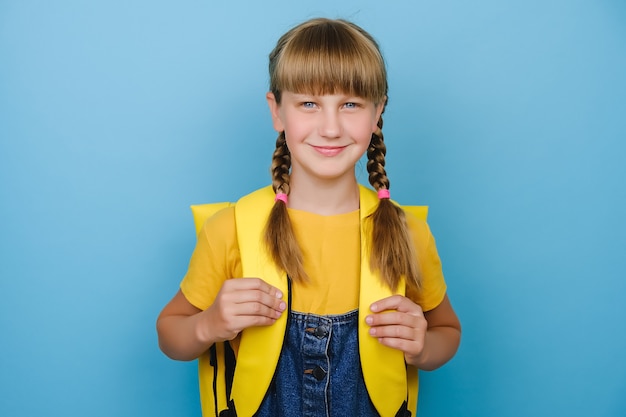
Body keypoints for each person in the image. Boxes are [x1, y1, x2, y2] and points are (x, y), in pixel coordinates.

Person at [157, 17, 461, 417]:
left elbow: (448, 332)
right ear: (277, 111)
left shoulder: (406, 232)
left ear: (377, 112)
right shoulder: (232, 229)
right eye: (309, 104)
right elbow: (170, 333)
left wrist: (422, 346)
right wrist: (208, 324)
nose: (331, 127)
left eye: (350, 104)